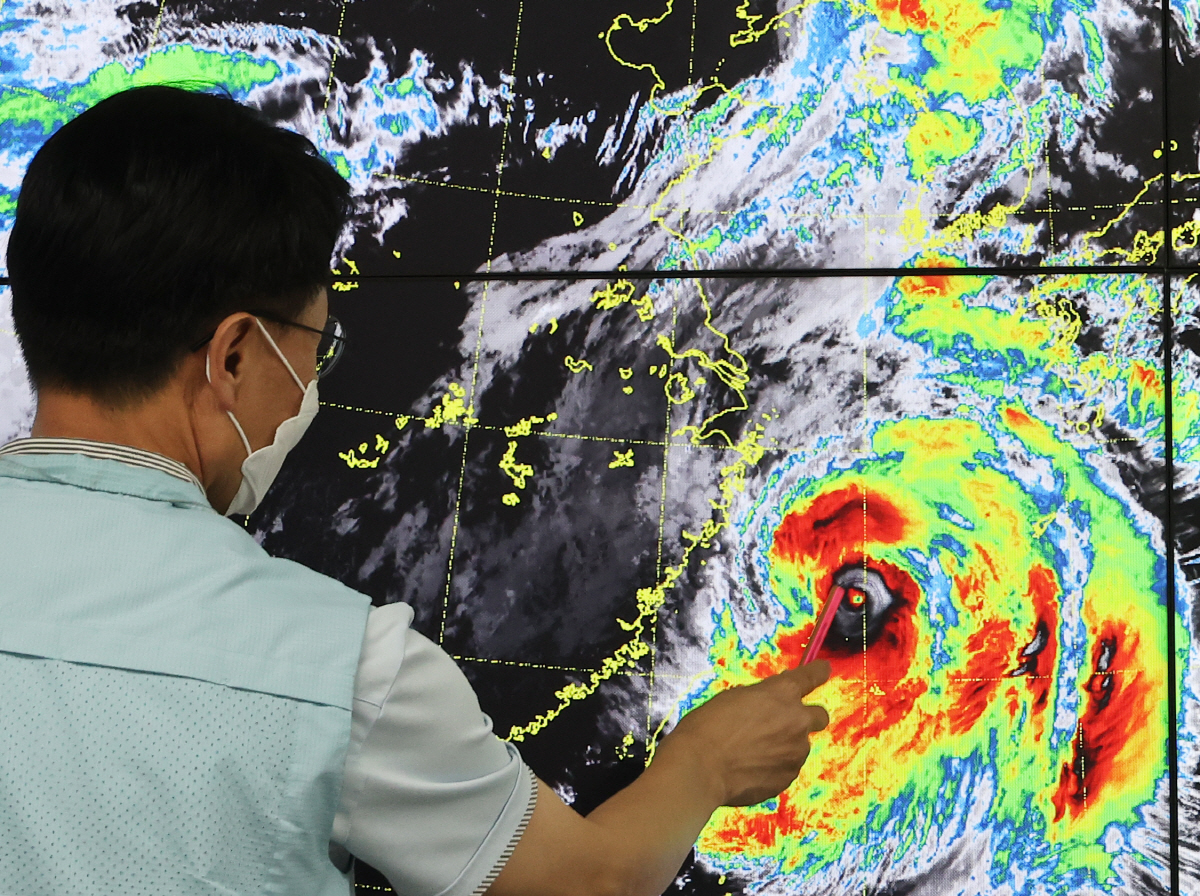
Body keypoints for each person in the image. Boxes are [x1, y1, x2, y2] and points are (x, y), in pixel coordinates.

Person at [0, 85, 831, 896]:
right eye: (312, 354)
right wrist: (705, 765)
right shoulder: (338, 669)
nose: (304, 395)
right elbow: (591, 883)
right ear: (235, 358)